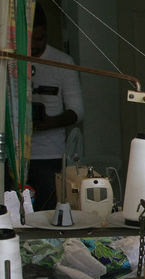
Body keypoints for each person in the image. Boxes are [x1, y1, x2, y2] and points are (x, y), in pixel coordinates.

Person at [26, 4, 83, 210]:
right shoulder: (11, 60)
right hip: (12, 155)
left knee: (48, 211)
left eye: (39, 39)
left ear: (47, 34)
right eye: (30, 39)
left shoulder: (63, 62)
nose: (33, 45)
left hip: (49, 155)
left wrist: (51, 122)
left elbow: (77, 111)